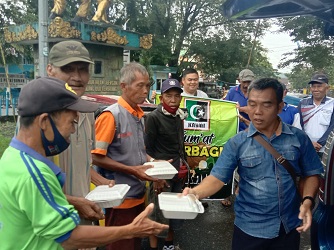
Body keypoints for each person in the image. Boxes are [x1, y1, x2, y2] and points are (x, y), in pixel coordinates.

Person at [0, 77, 168, 250]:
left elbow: (31, 200)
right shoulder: (35, 173)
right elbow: (70, 237)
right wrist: (130, 230)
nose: (73, 131)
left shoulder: (12, 157)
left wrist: (73, 202)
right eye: (71, 122)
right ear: (44, 122)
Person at [183, 78, 323, 250]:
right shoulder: (237, 143)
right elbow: (217, 178)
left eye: (266, 105)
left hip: (288, 227)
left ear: (280, 107)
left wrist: (308, 201)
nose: (257, 112)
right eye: (252, 104)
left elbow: (311, 173)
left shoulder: (298, 138)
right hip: (249, 229)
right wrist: (194, 193)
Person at [91, 62, 165, 250]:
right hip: (119, 199)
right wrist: (132, 170)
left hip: (138, 196)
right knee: (120, 245)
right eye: (140, 85)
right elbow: (96, 157)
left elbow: (137, 152)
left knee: (133, 244)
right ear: (124, 86)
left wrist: (156, 164)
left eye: (147, 85)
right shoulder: (111, 116)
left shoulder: (138, 115)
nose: (145, 91)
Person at [47, 40, 113, 225]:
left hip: (84, 217)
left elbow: (83, 163)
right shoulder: (40, 116)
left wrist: (101, 181)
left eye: (83, 69)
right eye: (68, 69)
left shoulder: (87, 111)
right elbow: (30, 184)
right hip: (53, 225)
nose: (77, 77)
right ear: (50, 70)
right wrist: (75, 203)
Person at [145, 79, 187, 250]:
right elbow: (146, 150)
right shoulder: (153, 117)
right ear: (162, 98)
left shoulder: (179, 116)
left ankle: (168, 245)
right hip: (161, 176)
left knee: (174, 212)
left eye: (176, 96)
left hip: (179, 173)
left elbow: (180, 145)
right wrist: (155, 175)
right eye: (169, 96)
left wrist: (184, 166)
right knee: (157, 214)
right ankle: (154, 247)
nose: (173, 100)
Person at [298, 72, 334, 157]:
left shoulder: (332, 104)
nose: (316, 89)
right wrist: (308, 142)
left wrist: (320, 143)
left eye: (319, 86)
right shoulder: (303, 103)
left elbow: (332, 127)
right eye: (313, 86)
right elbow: (298, 125)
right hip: (305, 147)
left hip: (326, 150)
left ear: (327, 88)